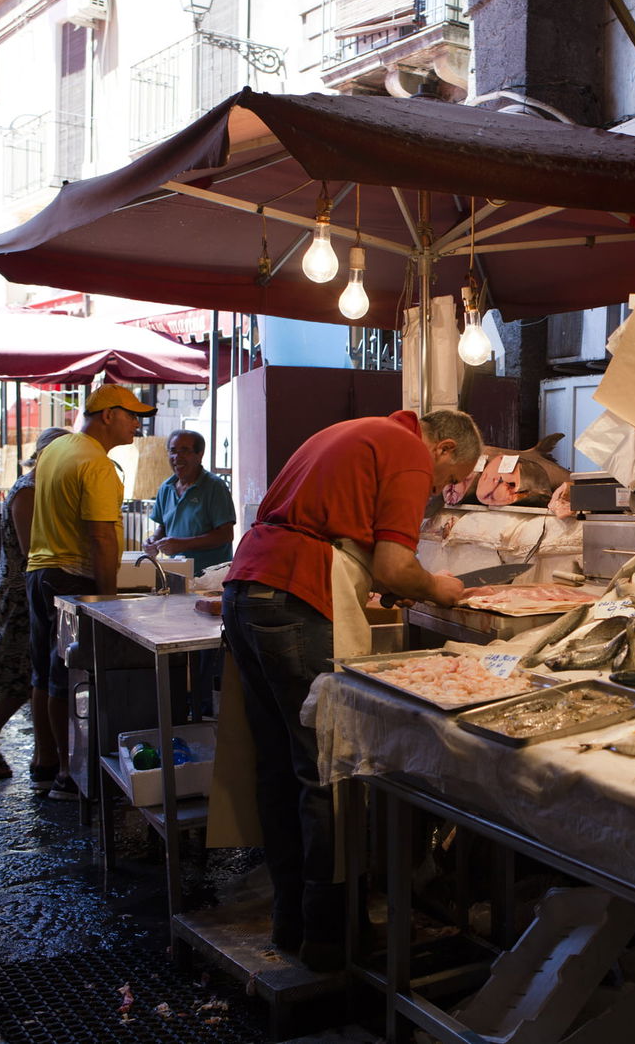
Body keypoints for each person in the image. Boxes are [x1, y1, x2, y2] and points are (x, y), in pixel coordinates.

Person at [222, 409, 480, 970]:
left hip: (247, 591)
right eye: (449, 480)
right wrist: (437, 588)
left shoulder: (357, 431)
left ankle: (293, 921)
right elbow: (395, 565)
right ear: (443, 448)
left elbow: (351, 541)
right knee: (329, 772)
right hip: (298, 595)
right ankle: (332, 936)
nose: (440, 491)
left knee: (281, 768)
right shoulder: (408, 451)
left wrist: (390, 580)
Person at [27, 385, 153, 801]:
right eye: (132, 415)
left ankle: (47, 764)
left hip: (41, 572)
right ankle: (68, 774)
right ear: (107, 415)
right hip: (72, 577)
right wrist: (110, 602)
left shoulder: (56, 449)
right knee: (69, 677)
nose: (137, 424)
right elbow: (100, 537)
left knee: (46, 673)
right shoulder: (96, 463)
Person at [0, 427, 71, 782]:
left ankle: (38, 753)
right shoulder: (28, 490)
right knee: (22, 676)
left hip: (27, 590)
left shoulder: (43, 488)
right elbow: (30, 550)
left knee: (30, 675)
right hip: (17, 594)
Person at [144, 429, 235, 576]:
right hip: (178, 574)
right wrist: (153, 540)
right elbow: (164, 526)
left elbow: (226, 535)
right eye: (173, 451)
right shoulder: (166, 488)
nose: (177, 457)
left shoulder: (215, 487)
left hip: (210, 577)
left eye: (185, 450)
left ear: (200, 455)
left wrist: (183, 544)